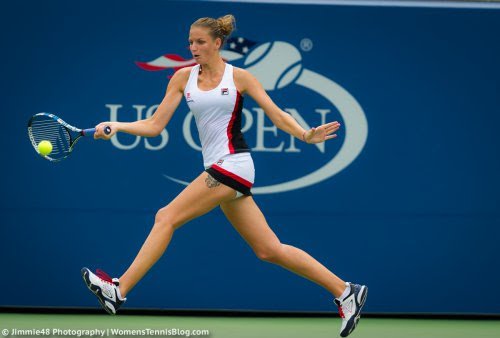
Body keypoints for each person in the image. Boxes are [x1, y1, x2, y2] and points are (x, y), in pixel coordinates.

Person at [81, 14, 367, 337]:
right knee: (269, 249)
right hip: (217, 167)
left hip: (234, 165)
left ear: (218, 44)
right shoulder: (181, 79)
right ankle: (346, 291)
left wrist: (304, 134)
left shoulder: (240, 77)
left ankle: (118, 290)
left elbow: (275, 113)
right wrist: (117, 126)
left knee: (166, 216)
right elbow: (154, 125)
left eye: (200, 42)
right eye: (190, 41)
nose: (193, 47)